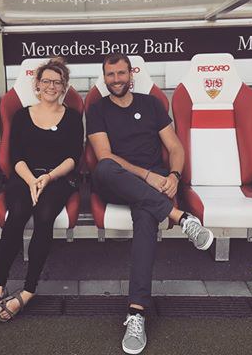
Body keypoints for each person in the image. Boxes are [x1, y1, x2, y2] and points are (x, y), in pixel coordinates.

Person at [87, 53, 214, 354]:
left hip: (156, 181)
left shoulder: (152, 104)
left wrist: (173, 174)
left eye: (121, 73)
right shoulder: (96, 109)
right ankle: (182, 218)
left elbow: (174, 146)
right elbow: (104, 156)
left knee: (145, 219)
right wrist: (147, 176)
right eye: (110, 75)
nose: (116, 79)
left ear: (131, 74)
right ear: (104, 78)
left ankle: (136, 313)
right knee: (104, 168)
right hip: (116, 180)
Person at [0, 57, 83, 327]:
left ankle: (28, 290)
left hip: (57, 177)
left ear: (64, 87)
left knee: (45, 215)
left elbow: (74, 157)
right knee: (18, 214)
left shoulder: (72, 117)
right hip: (24, 176)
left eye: (57, 82)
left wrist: (47, 178)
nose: (51, 86)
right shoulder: (22, 115)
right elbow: (16, 156)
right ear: (37, 84)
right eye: (46, 80)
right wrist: (33, 180)